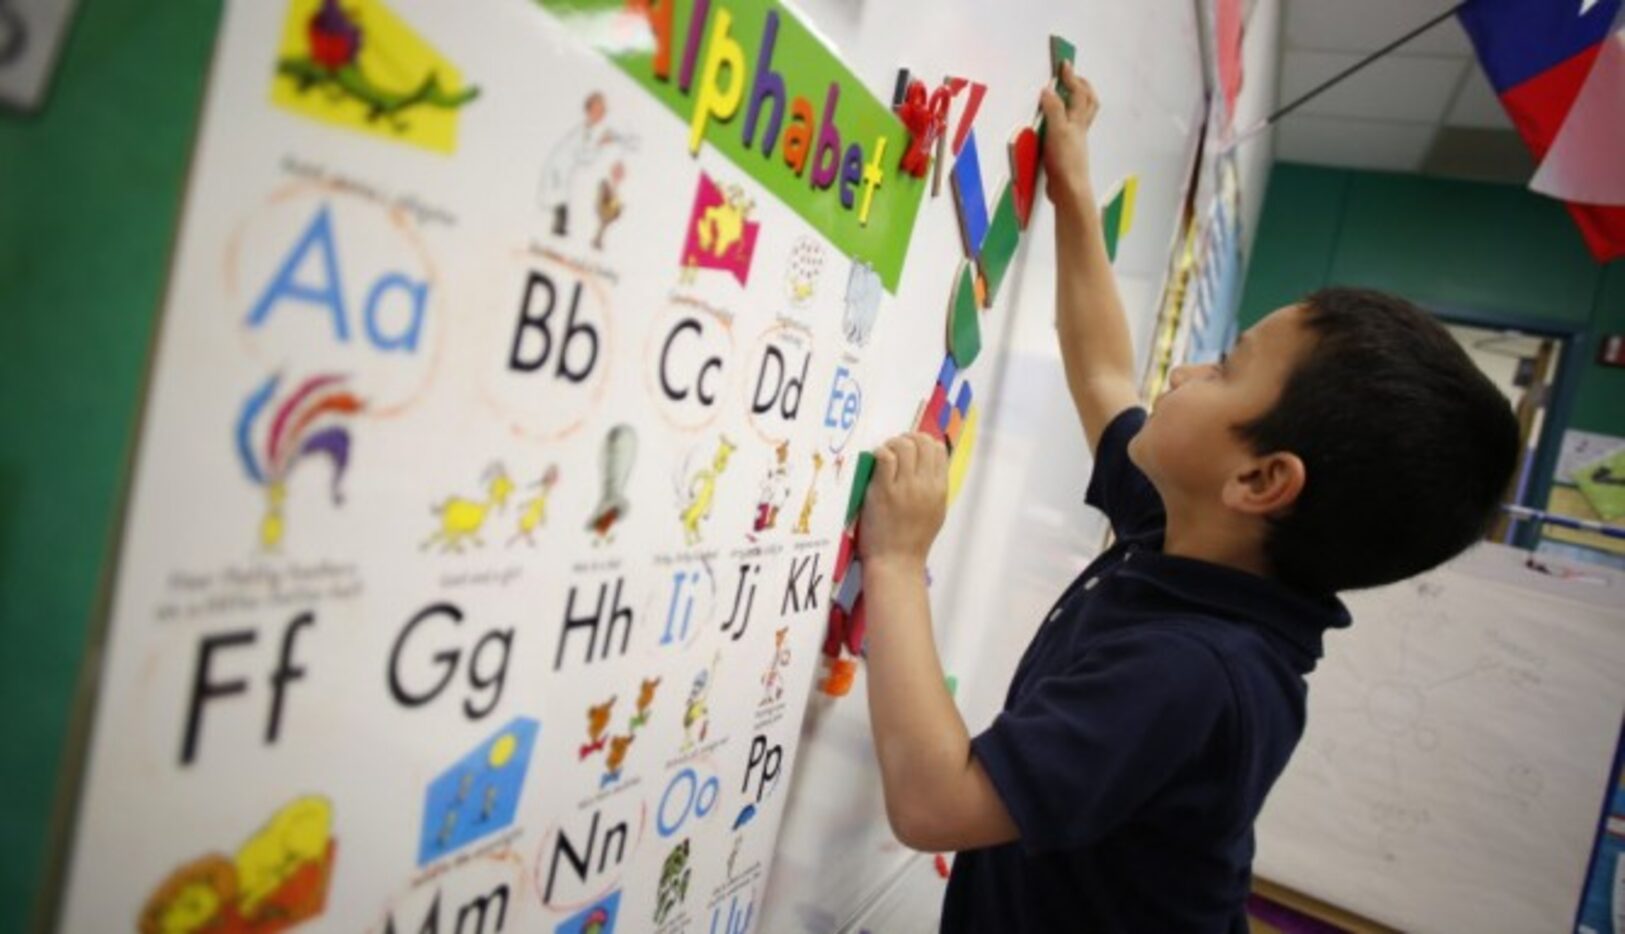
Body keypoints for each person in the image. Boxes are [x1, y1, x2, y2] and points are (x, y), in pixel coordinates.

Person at [857, 62, 1520, 932]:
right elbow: (1098, 368)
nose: (1187, 368)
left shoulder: (1197, 671)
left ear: (1257, 481)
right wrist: (1073, 185)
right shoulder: (1189, 536)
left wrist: (898, 561)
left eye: (1228, 369)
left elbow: (937, 804)